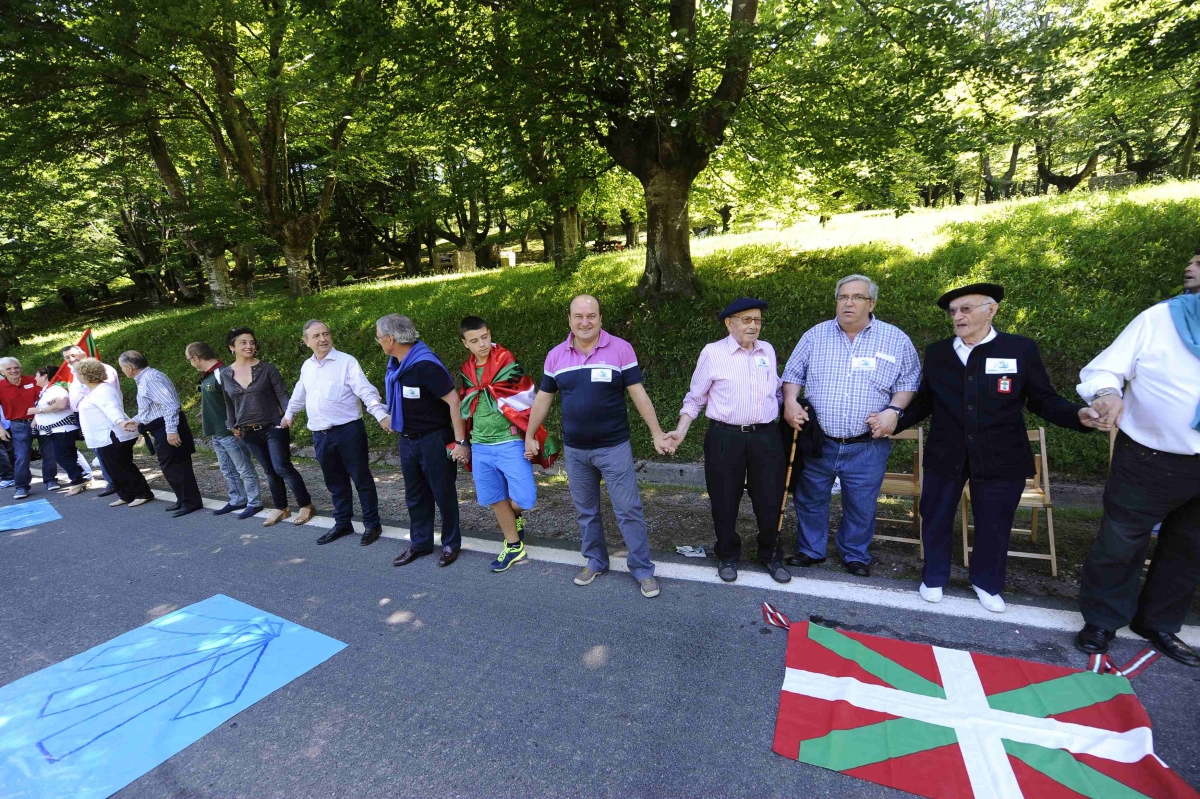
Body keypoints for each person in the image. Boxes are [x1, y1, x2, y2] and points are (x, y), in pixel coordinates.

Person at [890, 283, 1104, 612]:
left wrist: (1078, 415)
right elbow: (925, 403)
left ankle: (987, 582)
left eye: (966, 309)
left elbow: (1043, 400)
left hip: (1002, 453)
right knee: (934, 516)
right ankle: (934, 576)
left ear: (991, 310)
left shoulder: (1020, 349)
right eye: (953, 311)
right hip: (946, 452)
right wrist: (893, 422)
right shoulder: (938, 352)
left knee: (995, 521)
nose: (957, 316)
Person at [1073, 285, 1200, 667]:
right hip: (1150, 453)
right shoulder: (1161, 319)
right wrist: (1108, 393)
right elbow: (1105, 369)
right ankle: (1102, 620)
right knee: (1121, 541)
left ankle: (1159, 624)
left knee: (1190, 547)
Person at [524, 294, 669, 599]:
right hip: (576, 451)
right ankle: (596, 560)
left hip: (613, 447)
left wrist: (656, 432)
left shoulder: (620, 349)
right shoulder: (555, 356)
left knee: (628, 510)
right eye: (578, 316)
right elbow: (543, 399)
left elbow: (638, 394)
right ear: (569, 320)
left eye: (591, 315)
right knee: (586, 511)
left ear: (601, 318)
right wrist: (529, 434)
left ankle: (642, 569)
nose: (585, 322)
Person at [781, 275, 922, 577]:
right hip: (819, 440)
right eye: (843, 297)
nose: (848, 303)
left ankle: (855, 554)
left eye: (857, 297)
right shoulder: (815, 336)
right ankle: (811, 549)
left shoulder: (895, 339)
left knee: (861, 503)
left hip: (867, 443)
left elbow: (909, 381)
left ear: (872, 303)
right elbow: (792, 374)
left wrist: (894, 410)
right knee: (811, 498)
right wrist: (790, 401)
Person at [666, 298, 791, 585]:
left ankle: (771, 554)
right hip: (725, 436)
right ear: (729, 323)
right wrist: (681, 431)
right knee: (724, 499)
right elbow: (695, 398)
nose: (753, 325)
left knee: (770, 498)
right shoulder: (713, 353)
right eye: (746, 319)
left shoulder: (767, 350)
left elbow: (776, 390)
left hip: (765, 436)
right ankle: (727, 554)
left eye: (757, 320)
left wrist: (792, 407)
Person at [458, 315, 556, 573]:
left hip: (510, 441)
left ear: (490, 334)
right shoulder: (467, 370)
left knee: (525, 498)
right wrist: (462, 442)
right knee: (495, 498)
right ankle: (513, 545)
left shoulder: (506, 361)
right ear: (465, 343)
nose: (482, 344)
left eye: (485, 337)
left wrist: (530, 436)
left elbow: (526, 398)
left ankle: (515, 515)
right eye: (474, 341)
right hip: (480, 445)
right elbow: (464, 404)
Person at [283, 320, 389, 546]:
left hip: (348, 431)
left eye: (326, 334)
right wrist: (289, 414)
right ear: (306, 342)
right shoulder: (307, 366)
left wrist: (380, 415)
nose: (323, 339)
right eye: (316, 336)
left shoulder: (346, 362)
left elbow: (365, 391)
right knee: (335, 482)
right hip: (320, 435)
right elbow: (299, 393)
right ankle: (343, 523)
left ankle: (372, 524)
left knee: (361, 479)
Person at [377, 314, 469, 568]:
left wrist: (460, 442)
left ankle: (450, 544)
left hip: (434, 440)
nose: (378, 341)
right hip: (407, 440)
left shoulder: (425, 364)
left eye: (379, 337)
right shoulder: (397, 365)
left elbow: (454, 402)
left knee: (443, 494)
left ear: (390, 339)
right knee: (415, 496)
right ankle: (420, 543)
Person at [220, 327, 316, 527]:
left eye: (252, 342)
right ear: (232, 347)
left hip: (273, 426)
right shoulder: (225, 374)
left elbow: (282, 394)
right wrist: (231, 425)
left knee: (282, 467)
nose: (249, 346)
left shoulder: (267, 368)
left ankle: (306, 505)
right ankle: (281, 508)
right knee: (269, 471)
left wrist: (289, 414)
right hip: (247, 431)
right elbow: (229, 403)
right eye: (243, 342)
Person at [118, 351, 204, 518]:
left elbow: (170, 405)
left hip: (167, 426)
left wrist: (171, 430)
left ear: (128, 367)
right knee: (170, 465)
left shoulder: (150, 378)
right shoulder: (145, 378)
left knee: (176, 465)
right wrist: (136, 420)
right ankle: (183, 498)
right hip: (160, 426)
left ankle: (191, 501)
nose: (123, 371)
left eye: (122, 368)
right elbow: (151, 408)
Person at [186, 341, 262, 518]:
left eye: (189, 359)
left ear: (196, 358)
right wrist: (205, 412)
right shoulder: (208, 375)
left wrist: (236, 425)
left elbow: (238, 400)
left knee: (244, 468)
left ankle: (254, 502)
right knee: (227, 469)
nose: (190, 362)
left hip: (231, 432)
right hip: (217, 432)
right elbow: (219, 400)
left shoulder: (223, 373)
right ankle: (237, 499)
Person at [74, 357, 154, 507]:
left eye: (77, 372)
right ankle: (126, 495)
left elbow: (111, 407)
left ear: (85, 374)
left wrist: (120, 421)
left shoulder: (104, 390)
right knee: (113, 468)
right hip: (102, 437)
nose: (75, 376)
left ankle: (142, 493)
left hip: (112, 435)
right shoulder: (94, 391)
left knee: (122, 466)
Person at [63, 344, 121, 497]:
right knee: (98, 449)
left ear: (83, 353)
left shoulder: (103, 369)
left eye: (73, 355)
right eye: (67, 357)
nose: (71, 359)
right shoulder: (75, 372)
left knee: (106, 449)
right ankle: (113, 481)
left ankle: (116, 483)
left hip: (101, 415)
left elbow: (105, 395)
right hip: (85, 415)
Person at [30, 365, 89, 496]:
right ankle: (82, 477)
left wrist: (39, 410)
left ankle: (77, 481)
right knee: (69, 455)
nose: (34, 378)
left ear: (45, 376)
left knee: (61, 456)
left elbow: (62, 404)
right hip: (56, 430)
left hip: (62, 430)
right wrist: (35, 420)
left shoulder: (55, 389)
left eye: (37, 375)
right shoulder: (47, 390)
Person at [0, 357, 41, 500]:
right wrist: (0, 429)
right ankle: (21, 487)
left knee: (51, 452)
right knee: (22, 457)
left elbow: (45, 398)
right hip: (18, 425)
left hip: (41, 421)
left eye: (16, 367)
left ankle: (51, 480)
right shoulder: (0, 386)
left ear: (21, 368)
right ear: (2, 372)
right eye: (9, 369)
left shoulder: (33, 380)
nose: (13, 370)